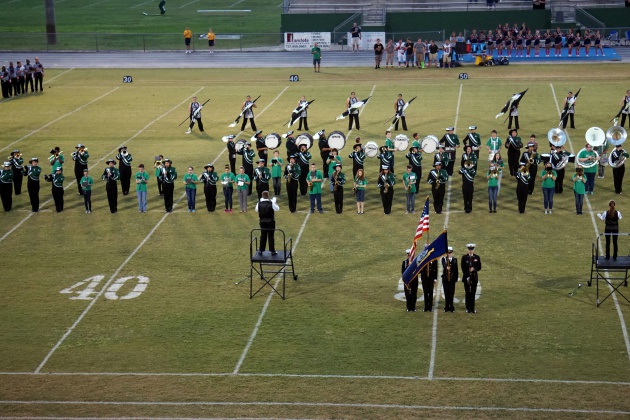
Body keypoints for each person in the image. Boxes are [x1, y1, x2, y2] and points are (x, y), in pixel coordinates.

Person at [255, 190, 280, 256]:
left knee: (263, 235)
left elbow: (256, 210)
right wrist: (274, 202)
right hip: (271, 222)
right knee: (271, 236)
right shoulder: (271, 203)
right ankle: (272, 251)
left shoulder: (259, 203)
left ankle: (261, 250)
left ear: (262, 196)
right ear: (268, 196)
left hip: (262, 221)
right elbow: (277, 209)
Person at [461, 244, 482, 314]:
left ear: (474, 250)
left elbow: (479, 267)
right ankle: (468, 308)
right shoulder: (464, 257)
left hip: (474, 278)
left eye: (472, 249)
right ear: (467, 250)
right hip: (467, 278)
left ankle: (472, 308)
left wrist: (474, 269)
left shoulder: (477, 257)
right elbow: (463, 267)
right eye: (469, 249)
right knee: (467, 293)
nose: (470, 251)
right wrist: (468, 271)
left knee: (473, 293)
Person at [441, 247, 458, 313]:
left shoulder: (454, 260)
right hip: (445, 278)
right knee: (446, 293)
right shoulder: (444, 259)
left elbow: (456, 269)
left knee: (451, 293)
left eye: (450, 253)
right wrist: (446, 267)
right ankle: (446, 306)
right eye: (448, 253)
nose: (449, 254)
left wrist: (456, 278)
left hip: (452, 279)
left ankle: (451, 306)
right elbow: (443, 264)